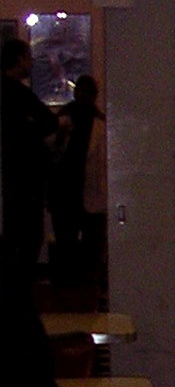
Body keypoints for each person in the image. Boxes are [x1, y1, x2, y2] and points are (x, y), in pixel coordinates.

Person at [1, 37, 58, 280]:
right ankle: (19, 283)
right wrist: (31, 128)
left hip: (14, 173)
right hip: (23, 174)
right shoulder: (18, 93)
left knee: (17, 233)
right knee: (27, 234)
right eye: (28, 57)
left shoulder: (14, 93)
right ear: (19, 59)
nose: (32, 62)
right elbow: (49, 121)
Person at [49, 73, 100, 285]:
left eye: (89, 93)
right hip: (67, 186)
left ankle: (76, 281)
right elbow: (52, 152)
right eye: (83, 92)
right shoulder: (64, 119)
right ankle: (71, 281)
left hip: (82, 186)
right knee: (68, 240)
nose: (85, 96)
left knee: (84, 241)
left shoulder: (96, 121)